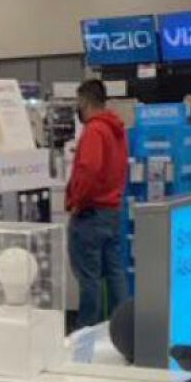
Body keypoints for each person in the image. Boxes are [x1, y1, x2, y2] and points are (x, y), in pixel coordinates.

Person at [66, 79, 129, 330]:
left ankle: (87, 332)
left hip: (90, 213)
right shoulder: (117, 130)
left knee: (88, 277)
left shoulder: (94, 131)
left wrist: (76, 202)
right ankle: (123, 327)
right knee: (115, 272)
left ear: (83, 101)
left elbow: (89, 170)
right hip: (112, 210)